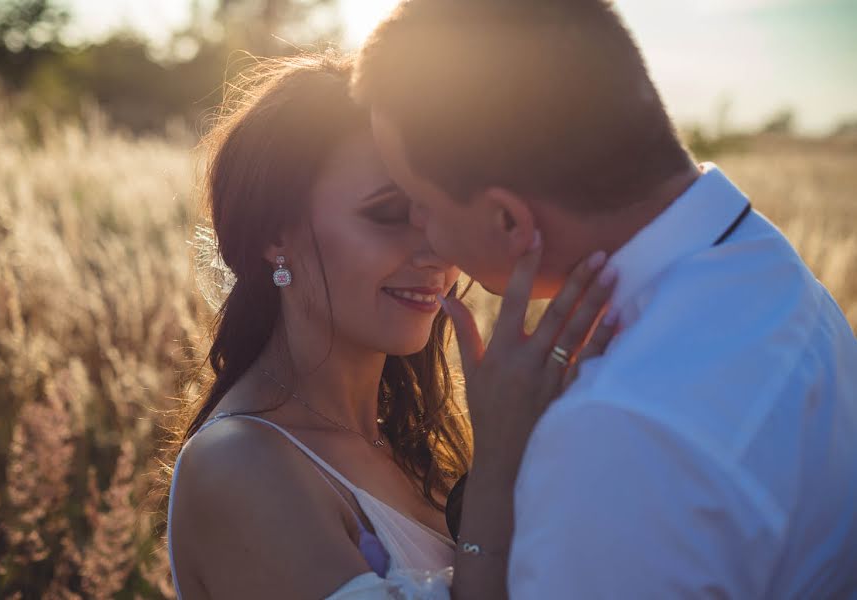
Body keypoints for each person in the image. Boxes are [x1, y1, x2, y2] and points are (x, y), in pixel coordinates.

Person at [352, 1, 857, 598]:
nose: (420, 229)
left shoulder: (620, 431)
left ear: (509, 220)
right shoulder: (766, 267)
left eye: (420, 201)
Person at [166, 53, 616, 599]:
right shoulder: (236, 463)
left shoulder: (418, 445)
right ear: (273, 234)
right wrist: (503, 468)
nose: (438, 251)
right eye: (388, 214)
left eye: (436, 214)